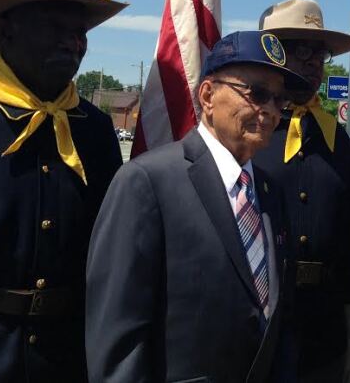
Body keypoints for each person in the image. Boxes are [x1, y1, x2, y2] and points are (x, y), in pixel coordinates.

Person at [85, 31, 309, 383]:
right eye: (257, 94)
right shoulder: (147, 182)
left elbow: (280, 320)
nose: (269, 110)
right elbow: (119, 338)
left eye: (280, 101)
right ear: (207, 95)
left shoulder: (269, 192)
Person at [0, 0, 127, 383]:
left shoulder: (95, 129)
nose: (73, 42)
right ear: (8, 26)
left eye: (79, 31)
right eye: (55, 26)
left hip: (66, 357)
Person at [254, 0, 350, 383]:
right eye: (301, 50)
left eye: (320, 53)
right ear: (273, 54)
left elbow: (349, 236)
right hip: (262, 323)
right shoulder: (249, 133)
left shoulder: (335, 139)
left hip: (324, 326)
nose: (314, 62)